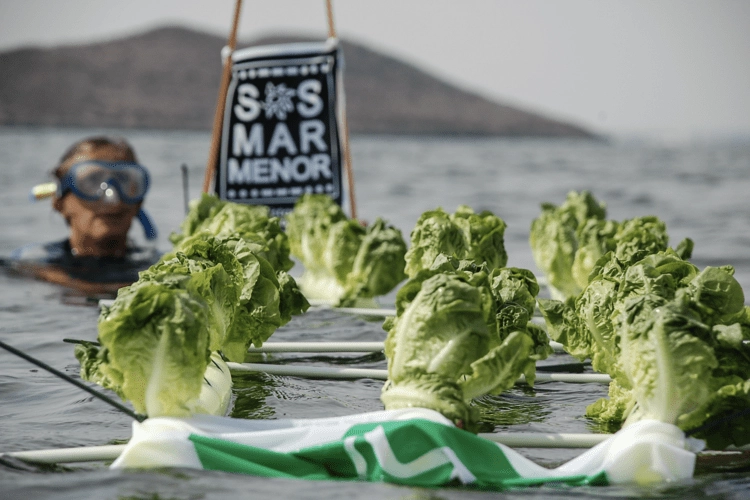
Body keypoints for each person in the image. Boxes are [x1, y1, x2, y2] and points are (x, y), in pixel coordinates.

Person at [9, 136, 160, 294]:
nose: (113, 198)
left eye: (124, 180)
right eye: (92, 182)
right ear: (59, 203)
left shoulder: (162, 267)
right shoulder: (30, 265)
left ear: (139, 203)